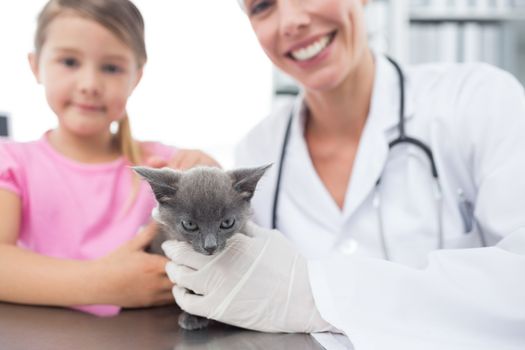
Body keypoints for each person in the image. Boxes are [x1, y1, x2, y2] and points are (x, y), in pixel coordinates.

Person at [163, 0, 525, 349]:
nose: (292, 20)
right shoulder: (258, 151)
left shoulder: (480, 100)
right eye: (262, 6)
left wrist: (316, 294)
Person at [0, 0, 219, 317]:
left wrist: (210, 175)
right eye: (70, 62)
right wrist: (105, 283)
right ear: (36, 66)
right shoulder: (12, 162)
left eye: (111, 68)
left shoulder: (165, 167)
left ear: (136, 77)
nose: (89, 85)